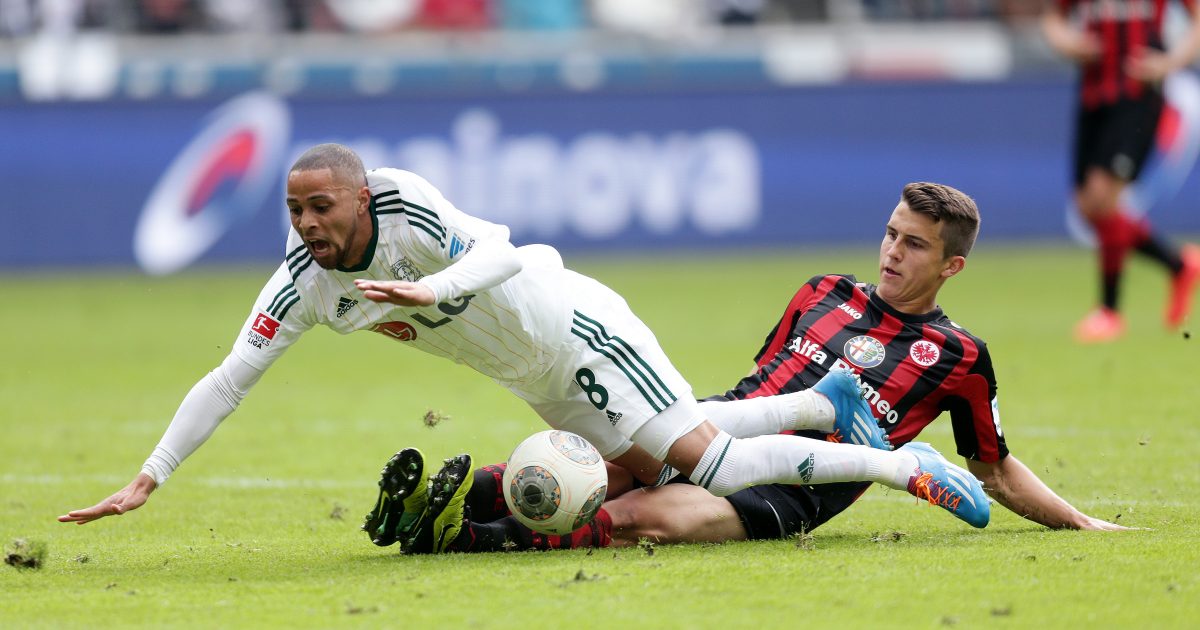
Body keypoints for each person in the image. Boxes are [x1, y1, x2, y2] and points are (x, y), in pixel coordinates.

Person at [59, 144, 990, 547]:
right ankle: (820, 403)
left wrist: (431, 290)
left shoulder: (405, 204)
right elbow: (231, 378)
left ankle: (897, 466)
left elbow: (504, 252)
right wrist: (150, 475)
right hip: (536, 378)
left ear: (359, 197)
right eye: (294, 210)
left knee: (708, 469)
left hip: (576, 328)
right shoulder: (305, 283)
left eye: (322, 207)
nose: (307, 225)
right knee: (660, 458)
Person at [368, 182, 1128, 556]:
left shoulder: (959, 357)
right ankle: (445, 499)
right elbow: (759, 383)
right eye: (892, 234)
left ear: (951, 265)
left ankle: (464, 540)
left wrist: (1079, 522)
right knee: (598, 465)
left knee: (647, 518)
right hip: (719, 429)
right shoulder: (822, 293)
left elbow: (993, 468)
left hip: (795, 491)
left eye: (915, 245)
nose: (893, 252)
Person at [1042, 0, 1200, 343]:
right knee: (1089, 209)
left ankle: (1109, 311)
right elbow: (1054, 19)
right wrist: (1069, 43)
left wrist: (1170, 63)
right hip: (1092, 95)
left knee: (1103, 197)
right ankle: (1179, 265)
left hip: (1137, 96)